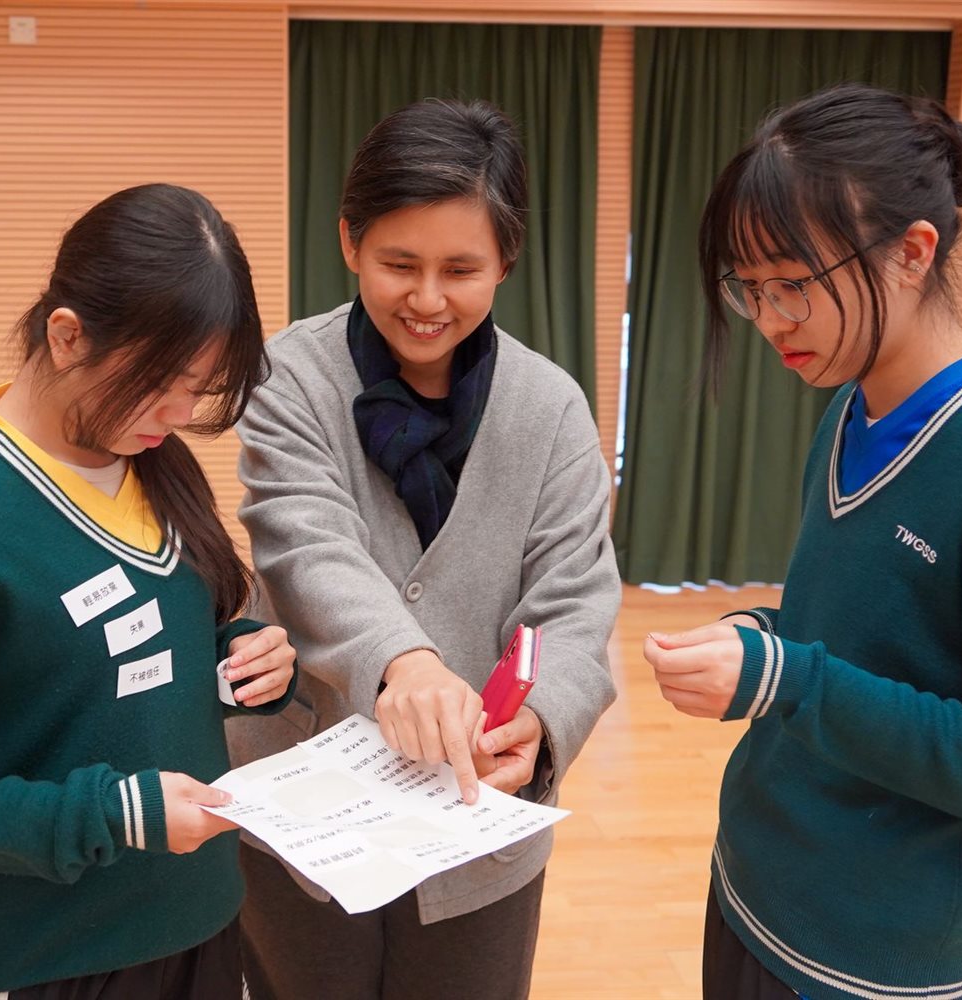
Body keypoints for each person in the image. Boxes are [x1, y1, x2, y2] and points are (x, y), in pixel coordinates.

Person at [643, 83, 962, 1000]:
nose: (770, 319)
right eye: (750, 289)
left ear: (912, 253)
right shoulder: (850, 408)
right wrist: (765, 640)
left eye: (794, 283)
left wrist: (791, 680)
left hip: (871, 961)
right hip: (749, 886)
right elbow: (866, 642)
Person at [0, 182, 299, 1000]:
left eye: (199, 386)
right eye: (161, 380)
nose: (180, 411)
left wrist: (239, 665)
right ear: (67, 335)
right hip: (46, 958)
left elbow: (132, 665)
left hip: (202, 921)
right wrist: (113, 815)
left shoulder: (156, 462)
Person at [228, 98, 620, 999]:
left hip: (476, 816)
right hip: (304, 799)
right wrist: (403, 662)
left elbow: (573, 600)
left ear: (506, 262)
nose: (429, 299)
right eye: (399, 264)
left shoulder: (551, 408)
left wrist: (539, 725)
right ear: (349, 242)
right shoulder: (290, 376)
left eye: (462, 269)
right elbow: (304, 540)